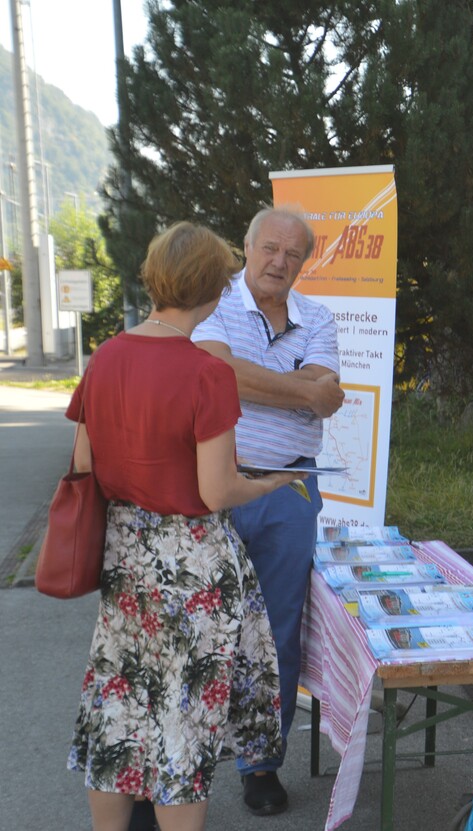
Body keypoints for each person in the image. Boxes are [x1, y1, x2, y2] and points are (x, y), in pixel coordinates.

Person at [65, 222, 305, 831]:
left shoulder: (107, 357)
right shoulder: (205, 372)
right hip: (192, 565)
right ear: (217, 289)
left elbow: (85, 464)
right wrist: (272, 482)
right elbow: (216, 490)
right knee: (183, 722)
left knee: (118, 709)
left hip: (126, 559)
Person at [192, 206, 345, 816]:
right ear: (247, 247)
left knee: (278, 632)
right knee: (200, 628)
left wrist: (265, 384)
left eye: (293, 254)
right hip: (212, 488)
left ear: (303, 262)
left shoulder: (320, 317)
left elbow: (328, 399)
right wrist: (302, 388)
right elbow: (215, 373)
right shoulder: (214, 304)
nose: (280, 262)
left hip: (290, 493)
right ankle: (187, 756)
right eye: (270, 249)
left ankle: (261, 764)